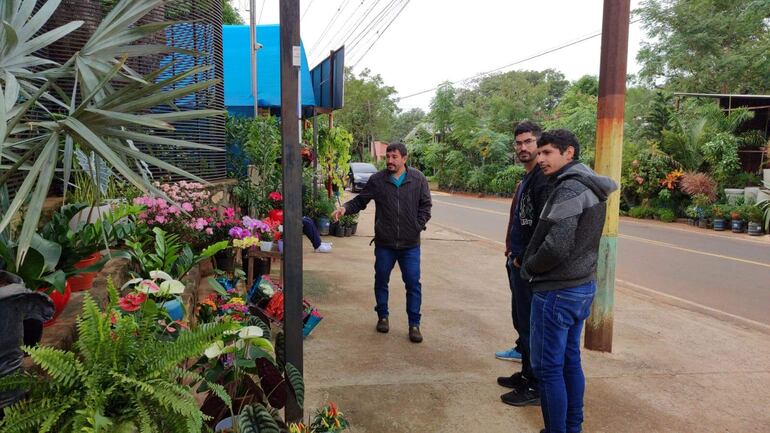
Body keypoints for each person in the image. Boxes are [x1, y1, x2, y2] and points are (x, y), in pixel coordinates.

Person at [520, 129, 617, 433]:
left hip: (557, 291)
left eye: (547, 152)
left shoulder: (568, 189)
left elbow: (557, 245)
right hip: (581, 285)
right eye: (540, 152)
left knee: (548, 369)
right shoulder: (589, 185)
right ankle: (572, 428)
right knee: (569, 362)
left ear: (569, 153)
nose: (540, 158)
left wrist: (530, 268)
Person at [331, 142, 432, 343]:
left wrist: (417, 225)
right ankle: (383, 316)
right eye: (387, 157)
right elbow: (361, 201)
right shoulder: (378, 180)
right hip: (385, 243)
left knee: (413, 283)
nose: (390, 161)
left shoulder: (418, 179)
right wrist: (344, 209)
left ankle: (414, 324)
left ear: (404, 158)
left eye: (394, 157)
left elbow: (426, 206)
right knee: (381, 280)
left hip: (410, 245)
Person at [497, 121, 551, 407]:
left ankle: (536, 385)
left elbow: (544, 229)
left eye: (528, 142)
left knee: (532, 327)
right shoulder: (528, 179)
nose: (523, 148)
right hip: (517, 263)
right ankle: (526, 374)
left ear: (539, 145)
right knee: (522, 322)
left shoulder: (543, 180)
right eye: (518, 143)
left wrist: (524, 259)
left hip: (529, 268)